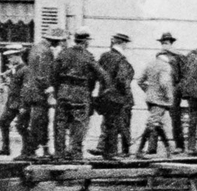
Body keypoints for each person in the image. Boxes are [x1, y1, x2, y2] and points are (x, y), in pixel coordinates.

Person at [51, 28, 111, 161]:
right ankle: (75, 153)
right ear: (85, 42)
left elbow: (53, 75)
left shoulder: (63, 53)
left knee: (60, 123)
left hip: (63, 92)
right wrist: (102, 92)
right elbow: (104, 77)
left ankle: (59, 154)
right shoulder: (88, 56)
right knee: (79, 123)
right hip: (80, 93)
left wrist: (58, 91)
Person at [19, 27, 66, 159]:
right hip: (39, 92)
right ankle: (31, 151)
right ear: (54, 40)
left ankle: (37, 150)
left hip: (29, 90)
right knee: (39, 121)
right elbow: (42, 74)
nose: (59, 43)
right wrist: (49, 90)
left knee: (34, 121)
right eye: (59, 41)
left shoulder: (35, 48)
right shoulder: (46, 52)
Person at [96, 33, 135, 159]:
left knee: (108, 124)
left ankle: (107, 152)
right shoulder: (121, 60)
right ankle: (119, 152)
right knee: (119, 124)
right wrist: (126, 95)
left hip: (104, 96)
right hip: (118, 98)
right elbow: (122, 80)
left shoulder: (104, 56)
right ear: (123, 43)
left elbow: (97, 74)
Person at [136, 50, 176, 157]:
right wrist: (169, 97)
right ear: (167, 56)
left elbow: (139, 80)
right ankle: (139, 150)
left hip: (150, 100)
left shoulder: (150, 64)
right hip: (160, 101)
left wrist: (148, 91)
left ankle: (168, 149)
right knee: (153, 124)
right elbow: (164, 83)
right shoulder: (165, 66)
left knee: (156, 123)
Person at [157, 32, 186, 152]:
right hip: (160, 90)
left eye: (167, 43)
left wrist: (178, 88)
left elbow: (183, 73)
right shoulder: (159, 56)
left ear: (171, 43)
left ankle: (179, 146)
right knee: (156, 118)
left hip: (173, 90)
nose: (165, 45)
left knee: (175, 118)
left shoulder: (178, 57)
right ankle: (152, 147)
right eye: (163, 43)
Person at [0, 46, 27, 156]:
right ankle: (6, 148)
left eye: (11, 57)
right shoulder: (14, 69)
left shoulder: (25, 70)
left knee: (22, 127)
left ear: (18, 56)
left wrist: (23, 105)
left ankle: (27, 151)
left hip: (20, 104)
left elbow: (25, 89)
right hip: (11, 103)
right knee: (3, 122)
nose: (9, 60)